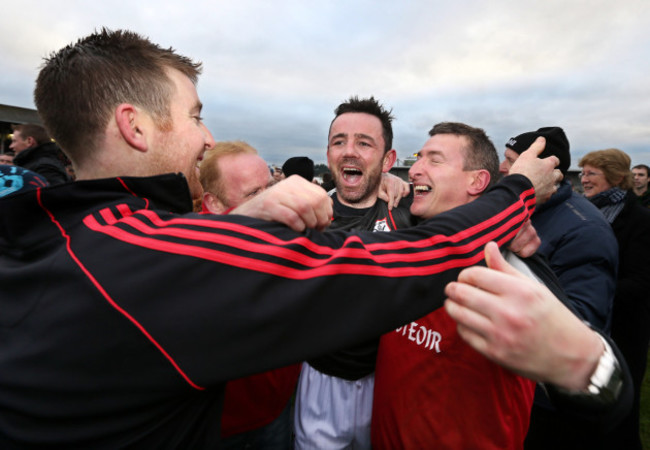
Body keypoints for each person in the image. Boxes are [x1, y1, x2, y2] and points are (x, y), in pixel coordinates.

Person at [0, 28, 562, 447]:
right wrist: (517, 191)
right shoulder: (146, 254)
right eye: (194, 115)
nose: (208, 134)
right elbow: (403, 266)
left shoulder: (53, 234)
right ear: (135, 125)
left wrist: (239, 224)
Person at [372, 123, 629, 449]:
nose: (416, 169)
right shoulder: (403, 241)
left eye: (434, 160)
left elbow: (593, 386)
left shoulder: (511, 262)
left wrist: (594, 372)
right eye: (419, 158)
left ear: (478, 181)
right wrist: (383, 182)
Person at [294, 96, 415, 449]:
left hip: (389, 381)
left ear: (388, 159)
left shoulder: (410, 214)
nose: (349, 151)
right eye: (339, 141)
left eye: (364, 143)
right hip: (321, 378)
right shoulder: (301, 218)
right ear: (328, 154)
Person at [500, 127, 619, 449]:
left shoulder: (584, 231)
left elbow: (580, 324)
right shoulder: (515, 208)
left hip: (548, 405)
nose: (502, 167)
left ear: (545, 170)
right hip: (512, 389)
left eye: (512, 161)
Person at [199, 140, 299, 448]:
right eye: (254, 194)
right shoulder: (189, 256)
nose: (269, 200)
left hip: (280, 408)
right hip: (222, 426)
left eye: (269, 187)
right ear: (213, 203)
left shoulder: (284, 228)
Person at [579, 149, 650, 449]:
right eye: (583, 173)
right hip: (591, 326)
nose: (583, 179)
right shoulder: (583, 212)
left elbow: (642, 282)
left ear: (616, 177)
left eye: (591, 173)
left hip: (624, 329)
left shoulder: (640, 220)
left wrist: (591, 292)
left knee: (620, 408)